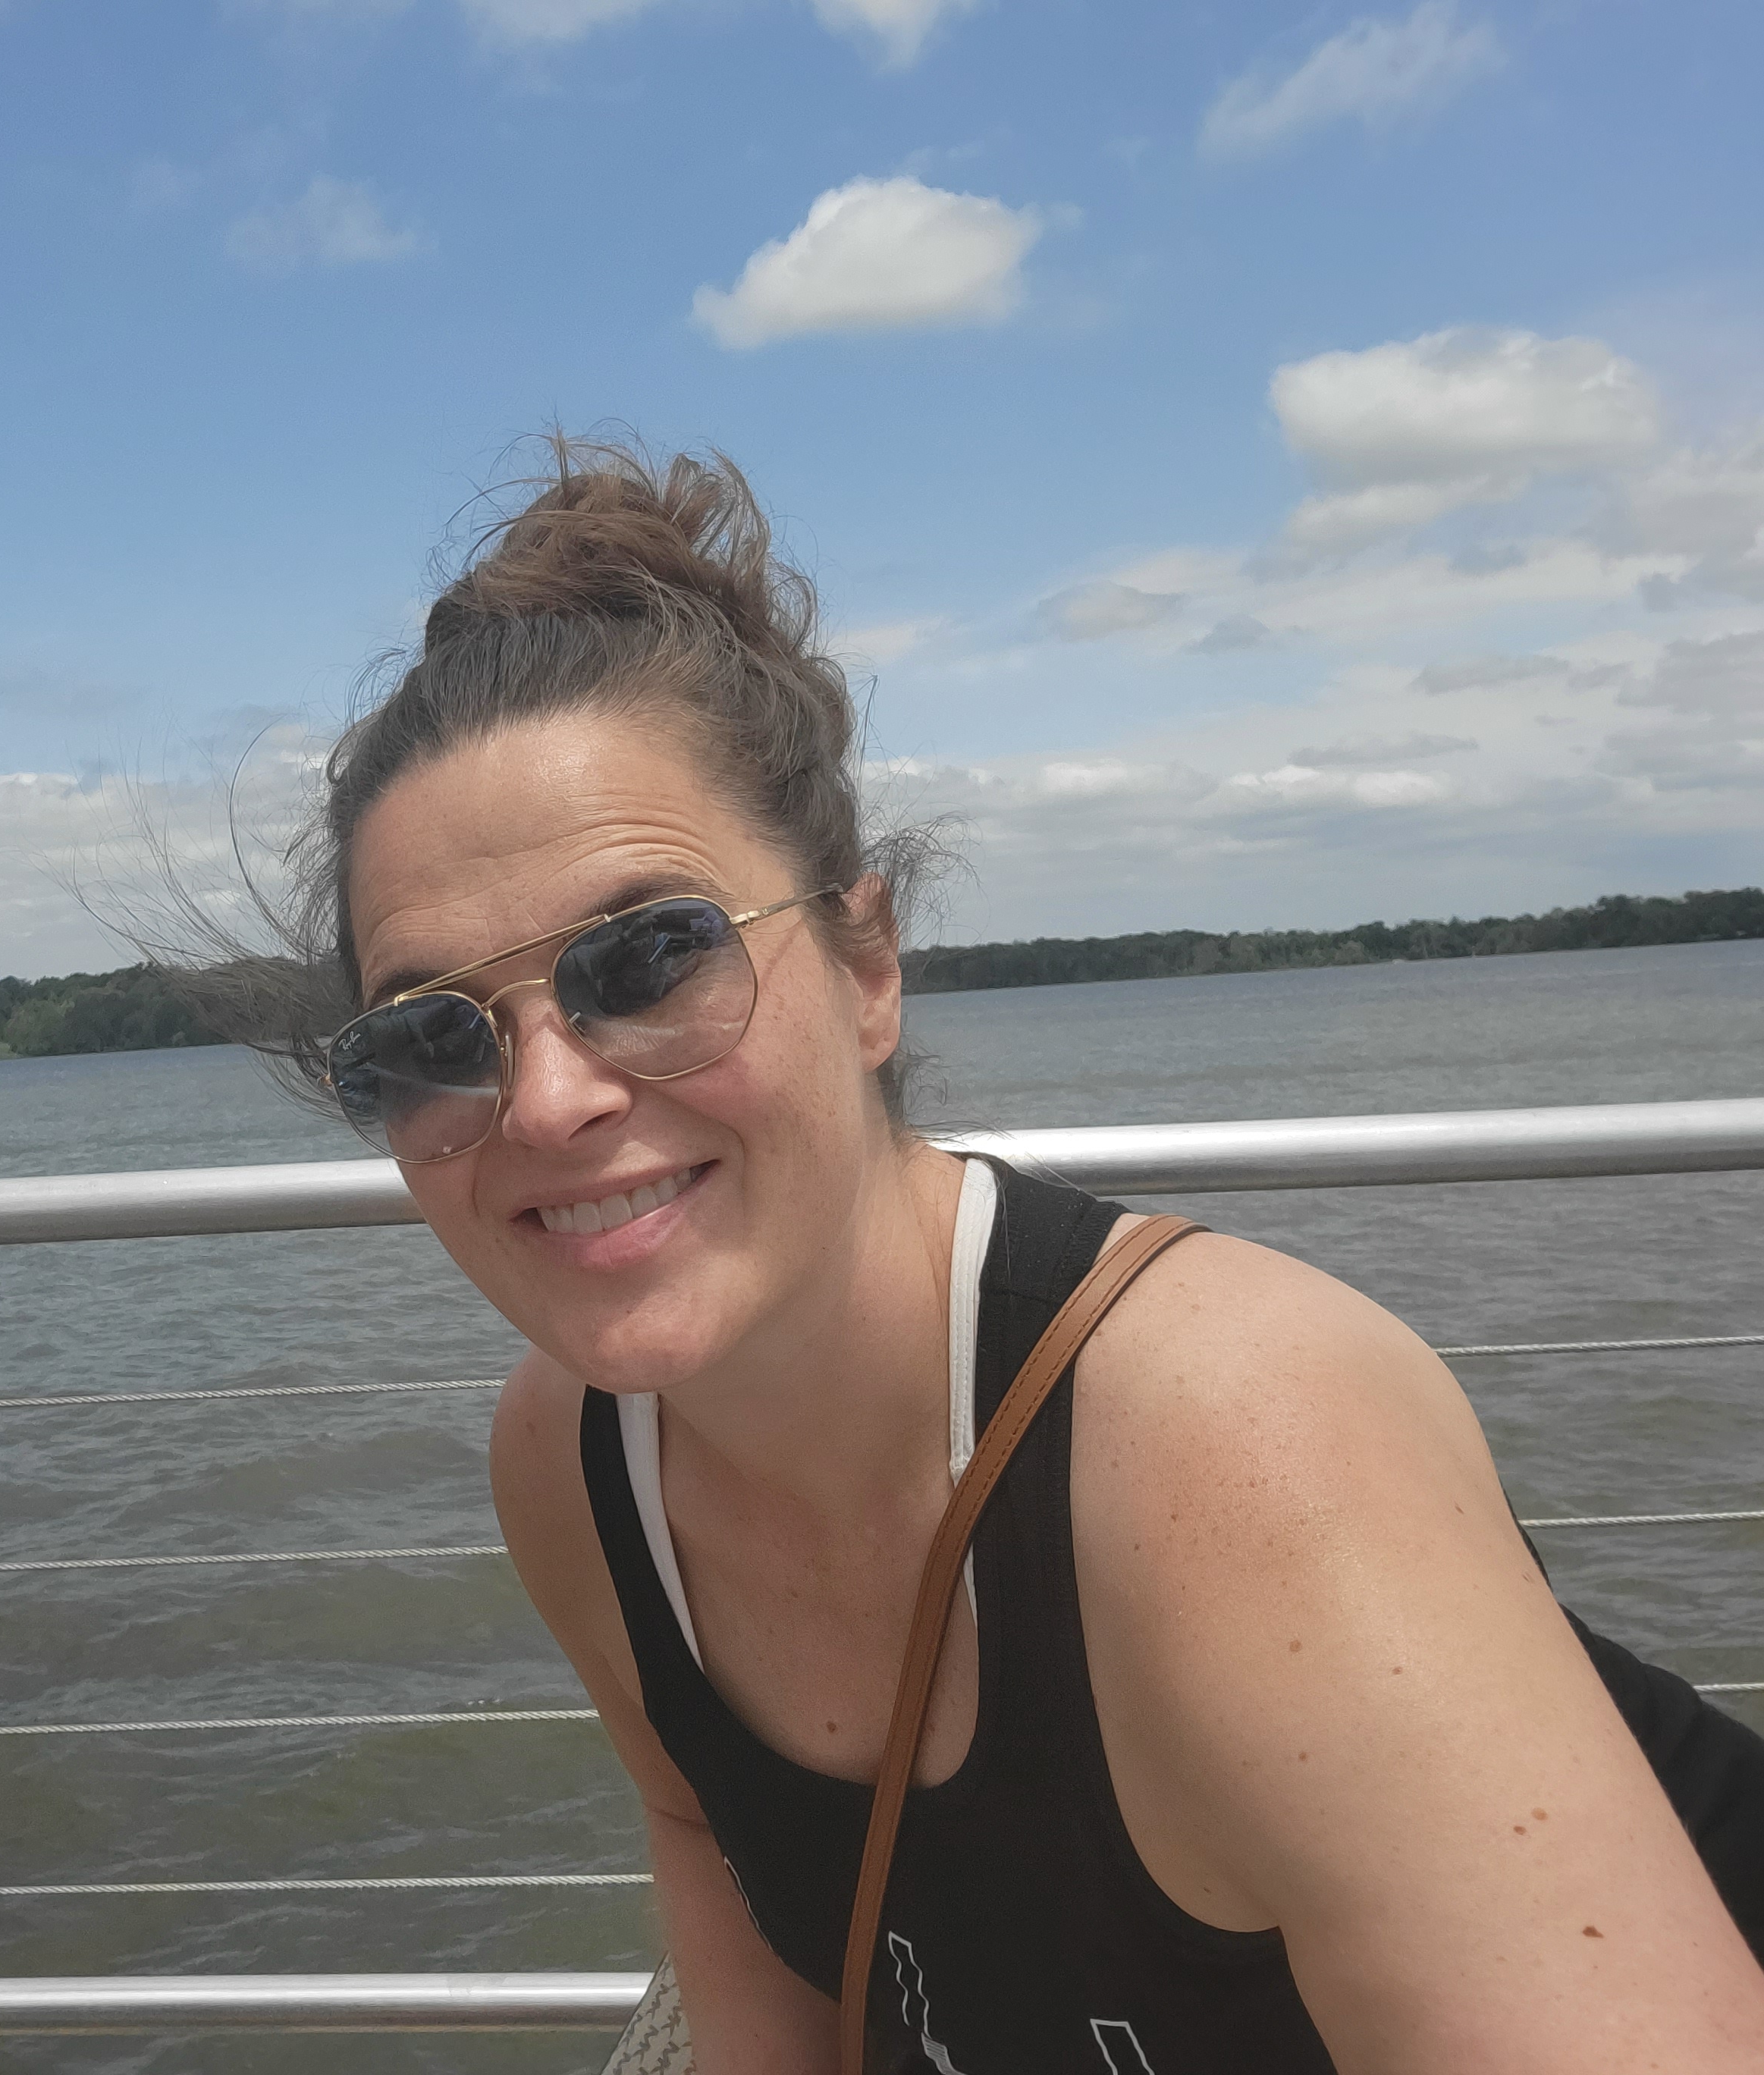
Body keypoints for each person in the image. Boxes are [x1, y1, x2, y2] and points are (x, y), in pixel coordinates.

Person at [187, 440, 1764, 2070]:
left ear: (867, 966)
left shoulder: (1237, 1446)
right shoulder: (577, 1462)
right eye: (429, 1038)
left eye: (648, 956)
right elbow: (718, 1859)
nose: (549, 1100)